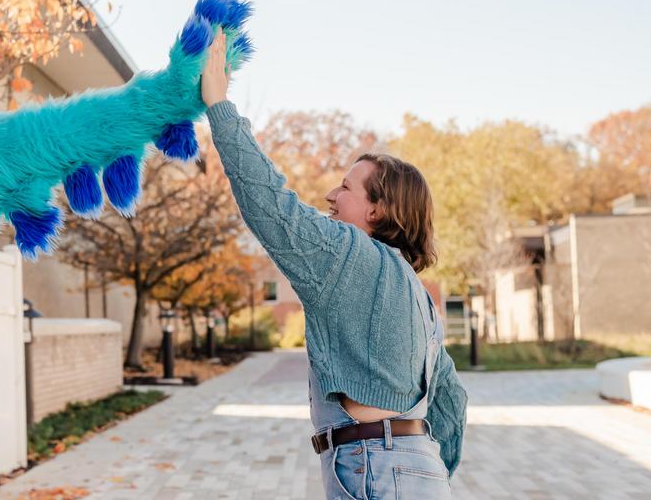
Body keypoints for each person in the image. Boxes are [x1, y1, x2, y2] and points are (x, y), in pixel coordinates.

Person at [200, 30, 467, 499]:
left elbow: (271, 206)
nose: (330, 195)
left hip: (374, 468)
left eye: (346, 187)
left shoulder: (351, 257)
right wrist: (426, 471)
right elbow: (451, 405)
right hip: (420, 470)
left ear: (377, 211)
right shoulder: (418, 297)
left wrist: (219, 105)